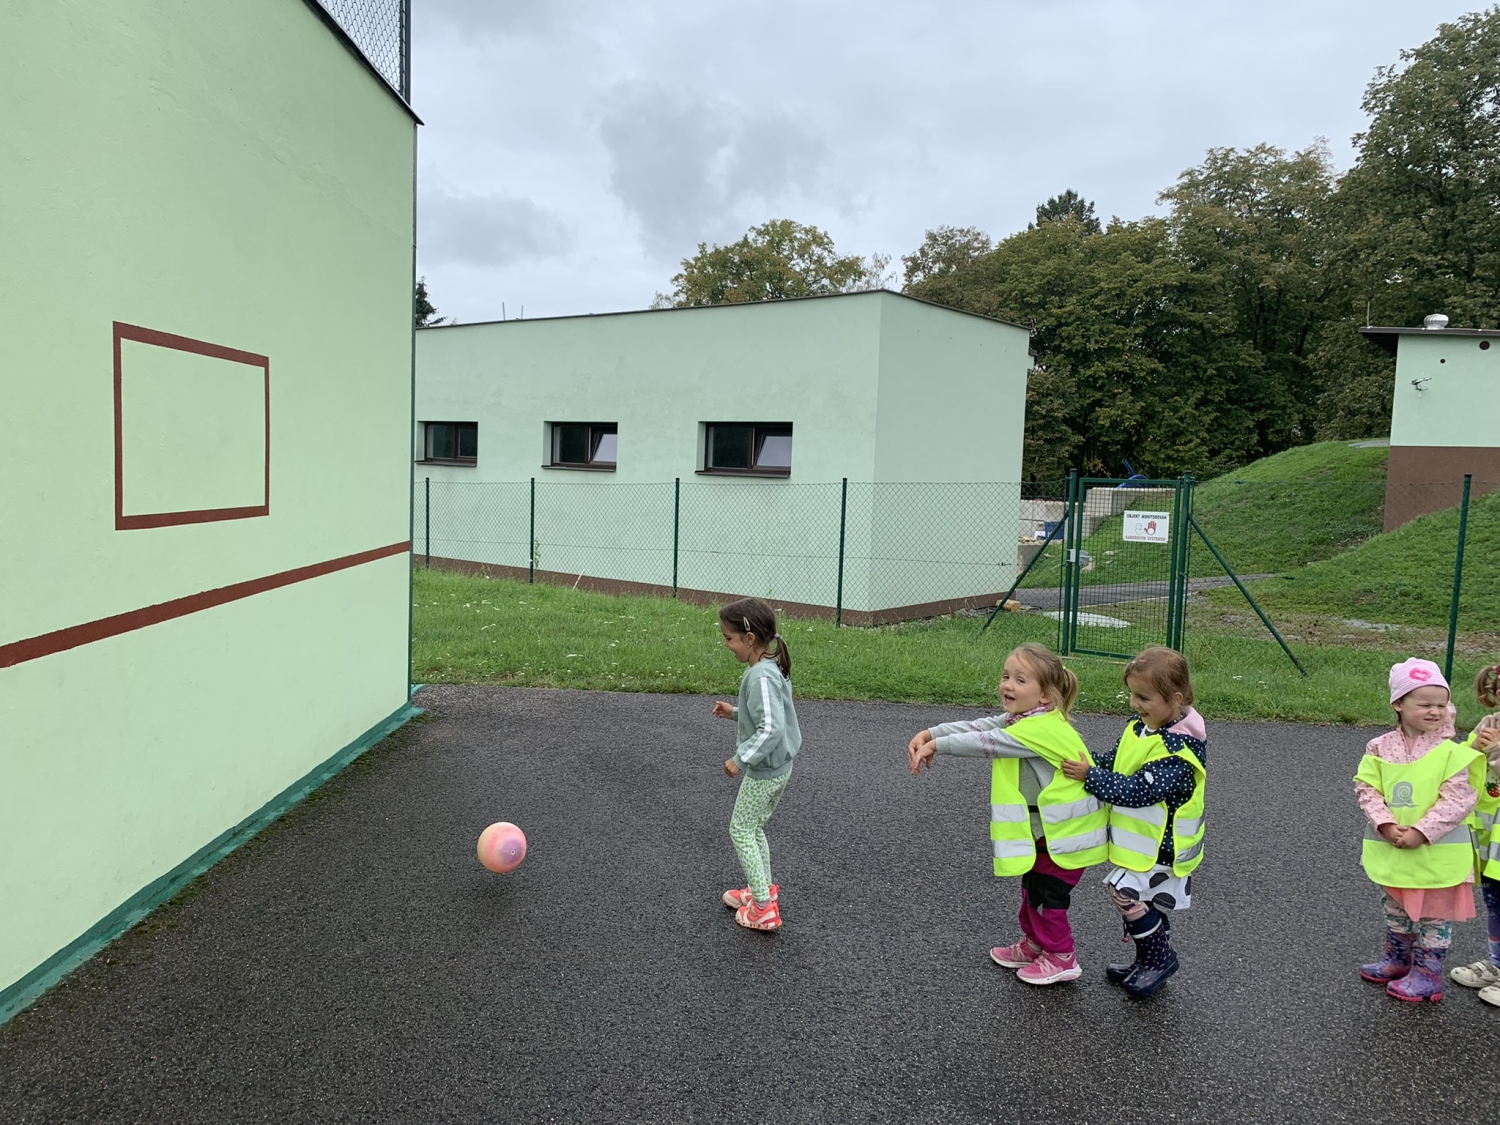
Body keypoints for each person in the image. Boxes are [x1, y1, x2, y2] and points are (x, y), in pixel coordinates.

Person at [908, 643, 1106, 985]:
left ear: (1045, 695)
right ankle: (1036, 945)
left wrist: (936, 745)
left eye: (1020, 680)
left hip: (1066, 836)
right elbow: (981, 726)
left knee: (1048, 897)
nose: (1008, 685)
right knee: (1032, 890)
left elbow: (987, 742)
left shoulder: (1037, 730)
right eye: (1006, 676)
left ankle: (1062, 957)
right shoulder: (1026, 718)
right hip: (1048, 834)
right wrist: (930, 733)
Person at [1060, 647, 1206, 999]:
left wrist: (1090, 776)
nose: (1134, 703)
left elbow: (1138, 790)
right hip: (1144, 844)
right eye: (1132, 694)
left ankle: (1159, 959)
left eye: (1144, 697)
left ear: (1175, 699)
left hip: (1163, 847)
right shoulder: (1141, 728)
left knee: (1122, 892)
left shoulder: (1177, 750)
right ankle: (1148, 958)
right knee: (1141, 898)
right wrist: (1086, 762)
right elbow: (1115, 762)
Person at [1354, 657, 1484, 1003]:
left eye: (1441, 704)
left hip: (1436, 854)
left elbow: (1459, 799)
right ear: (1398, 703)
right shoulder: (1379, 747)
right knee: (1395, 905)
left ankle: (1428, 975)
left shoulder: (1452, 753)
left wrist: (1422, 831)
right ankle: (1398, 959)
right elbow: (1367, 788)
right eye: (1424, 704)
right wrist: (1384, 824)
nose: (1435, 711)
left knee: (1434, 915)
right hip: (1394, 848)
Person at [711, 597, 800, 932]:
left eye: (729, 638)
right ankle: (762, 890)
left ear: (749, 639)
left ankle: (763, 908)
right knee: (753, 828)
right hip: (779, 768)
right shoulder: (769, 667)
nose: (726, 644)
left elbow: (771, 728)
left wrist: (740, 759)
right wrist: (735, 712)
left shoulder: (761, 675)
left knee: (740, 830)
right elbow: (768, 715)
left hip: (764, 771)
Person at [1449, 664, 1500, 1005]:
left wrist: (1495, 751)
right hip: (1490, 837)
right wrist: (1475, 749)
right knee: (1495, 902)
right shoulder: (1490, 724)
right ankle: (1497, 964)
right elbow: (1465, 768)